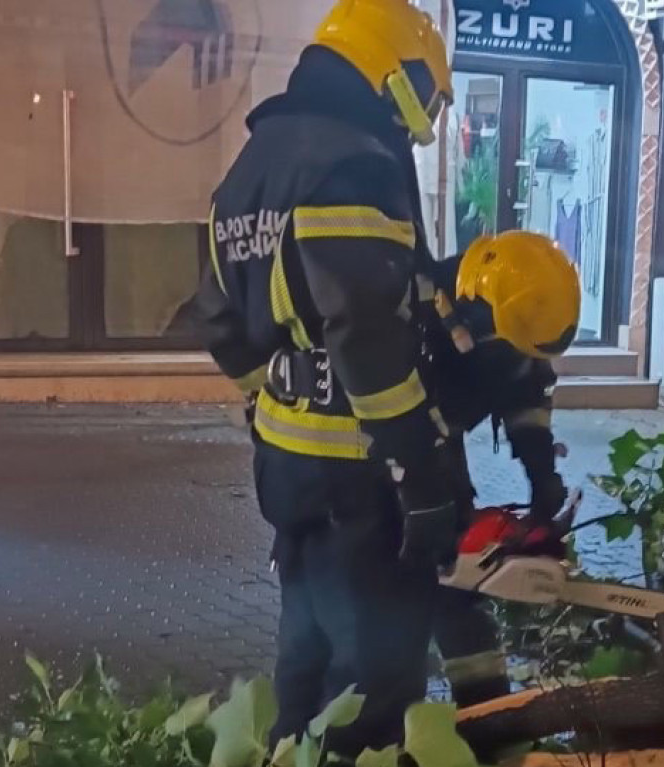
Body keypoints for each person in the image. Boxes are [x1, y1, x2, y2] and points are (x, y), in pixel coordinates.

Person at [193, 0, 457, 754]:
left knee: (302, 661)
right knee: (371, 690)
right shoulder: (354, 164)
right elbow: (367, 338)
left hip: (286, 468)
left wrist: (272, 397)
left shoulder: (249, 169)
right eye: (422, 99)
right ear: (390, 73)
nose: (419, 125)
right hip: (360, 478)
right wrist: (420, 474)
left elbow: (215, 317)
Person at [420, 230, 582, 707]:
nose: (527, 362)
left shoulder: (516, 319)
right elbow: (420, 431)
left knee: (455, 577)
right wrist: (449, 516)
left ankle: (488, 719)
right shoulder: (416, 322)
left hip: (435, 434)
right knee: (434, 579)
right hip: (382, 454)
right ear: (481, 322)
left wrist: (542, 477)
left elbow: (526, 398)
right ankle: (473, 720)